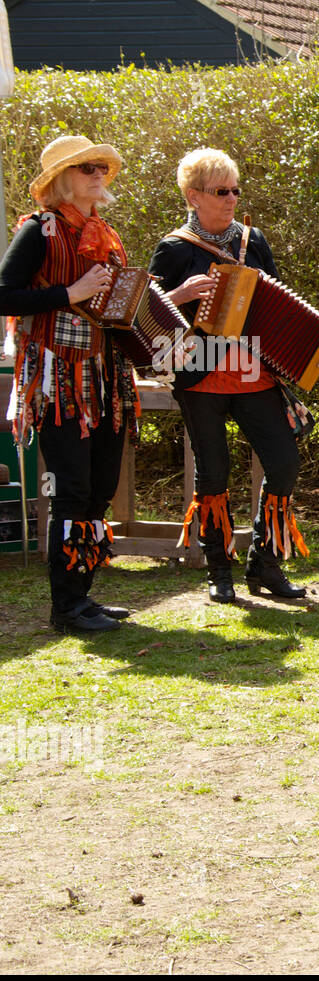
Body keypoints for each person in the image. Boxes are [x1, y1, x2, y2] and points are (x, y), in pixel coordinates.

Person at [149, 148, 319, 603]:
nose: (232, 198)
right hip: (200, 378)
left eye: (235, 189)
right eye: (221, 191)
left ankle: (264, 564)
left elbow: (280, 308)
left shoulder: (252, 241)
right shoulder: (174, 248)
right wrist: (179, 293)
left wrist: (318, 355)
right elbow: (148, 313)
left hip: (255, 374)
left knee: (284, 463)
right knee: (213, 474)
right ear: (193, 196)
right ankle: (219, 571)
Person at [1, 135, 139, 633]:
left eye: (101, 166)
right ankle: (65, 607)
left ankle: (84, 596)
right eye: (85, 168)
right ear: (61, 180)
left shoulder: (107, 231)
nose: (97, 174)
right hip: (58, 381)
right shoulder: (38, 231)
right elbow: (4, 296)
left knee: (100, 487)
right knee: (74, 489)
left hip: (106, 379)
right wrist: (69, 292)